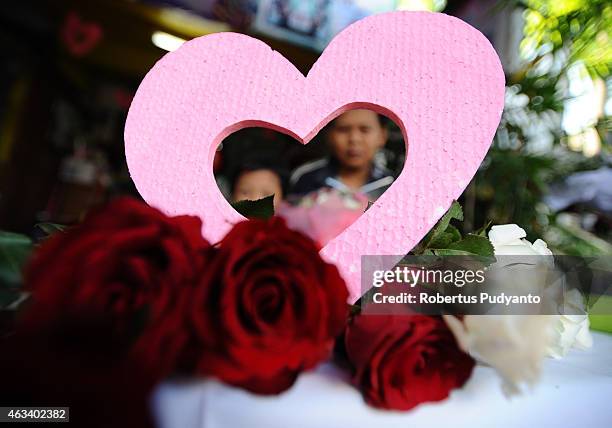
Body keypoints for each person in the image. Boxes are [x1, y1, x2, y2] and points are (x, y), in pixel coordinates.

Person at [289, 109, 394, 201]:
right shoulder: (306, 179)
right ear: (329, 135)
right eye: (343, 130)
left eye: (364, 130)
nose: (354, 139)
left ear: (383, 136)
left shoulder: (392, 183)